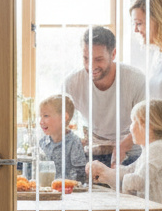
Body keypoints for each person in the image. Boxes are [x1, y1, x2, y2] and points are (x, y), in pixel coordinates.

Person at [63, 25, 148, 167]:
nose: (91, 66)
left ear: (113, 54)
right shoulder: (72, 82)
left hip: (132, 153)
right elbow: (60, 119)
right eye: (86, 58)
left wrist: (122, 148)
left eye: (98, 59)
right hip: (94, 151)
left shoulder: (136, 79)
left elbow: (145, 123)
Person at [129, 0, 162, 105]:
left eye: (139, 23)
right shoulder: (159, 53)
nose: (136, 30)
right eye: (134, 24)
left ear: (159, 20)